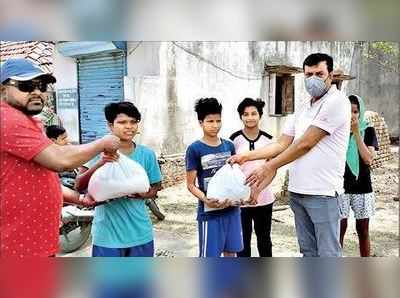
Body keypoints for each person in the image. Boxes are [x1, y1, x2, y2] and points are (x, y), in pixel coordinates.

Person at [228, 53, 351, 257]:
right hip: (298, 192)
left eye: (319, 74)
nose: (313, 79)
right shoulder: (303, 108)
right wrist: (247, 157)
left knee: (328, 254)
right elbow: (281, 143)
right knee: (308, 252)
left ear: (331, 74)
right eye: (309, 74)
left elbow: (305, 143)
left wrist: (269, 166)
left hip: (323, 192)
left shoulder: (337, 102)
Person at [0, 58, 120, 257]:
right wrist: (102, 143)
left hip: (33, 242)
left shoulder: (26, 120)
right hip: (16, 247)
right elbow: (60, 159)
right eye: (26, 85)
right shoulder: (7, 119)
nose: (37, 92)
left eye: (42, 86)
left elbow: (38, 178)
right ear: (2, 90)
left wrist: (80, 198)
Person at [75, 102, 162, 257]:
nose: (129, 126)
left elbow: (156, 186)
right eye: (122, 122)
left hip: (140, 231)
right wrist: (101, 163)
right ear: (110, 125)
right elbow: (79, 185)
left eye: (133, 122)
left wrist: (145, 194)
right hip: (107, 234)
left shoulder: (147, 154)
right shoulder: (98, 151)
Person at [185, 97, 243, 257]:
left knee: (231, 253)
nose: (215, 125)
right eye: (210, 121)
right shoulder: (194, 149)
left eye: (218, 121)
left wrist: (243, 196)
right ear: (200, 122)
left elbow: (236, 177)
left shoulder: (229, 146)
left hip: (232, 210)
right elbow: (190, 185)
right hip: (210, 213)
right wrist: (206, 200)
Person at [229, 98, 275, 257]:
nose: (250, 117)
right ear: (241, 116)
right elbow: (231, 169)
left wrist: (258, 190)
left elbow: (272, 169)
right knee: (242, 242)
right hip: (241, 200)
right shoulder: (233, 140)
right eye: (245, 114)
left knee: (264, 240)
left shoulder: (269, 140)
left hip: (264, 198)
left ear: (260, 115)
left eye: (254, 113)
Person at [339, 95, 378, 257]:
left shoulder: (368, 130)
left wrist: (356, 133)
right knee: (338, 229)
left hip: (362, 186)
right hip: (340, 186)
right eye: (348, 111)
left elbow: (368, 159)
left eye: (356, 111)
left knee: (362, 229)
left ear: (360, 112)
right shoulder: (337, 131)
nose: (352, 115)